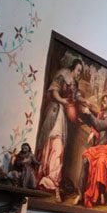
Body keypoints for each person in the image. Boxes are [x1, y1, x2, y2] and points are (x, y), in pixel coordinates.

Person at [35, 58, 84, 201]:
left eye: (80, 72)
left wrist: (81, 104)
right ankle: (44, 180)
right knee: (48, 146)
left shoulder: (74, 83)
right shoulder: (63, 74)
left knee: (58, 149)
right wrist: (62, 101)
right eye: (78, 71)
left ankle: (51, 182)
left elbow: (75, 99)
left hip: (63, 117)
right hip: (54, 112)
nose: (79, 74)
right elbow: (54, 90)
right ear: (73, 68)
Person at [76, 94, 107, 208]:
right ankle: (80, 193)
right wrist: (92, 132)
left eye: (106, 101)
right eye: (103, 101)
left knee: (100, 164)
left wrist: (89, 113)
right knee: (86, 160)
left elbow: (101, 125)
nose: (104, 103)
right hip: (98, 148)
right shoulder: (100, 114)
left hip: (106, 150)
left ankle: (101, 193)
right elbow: (96, 128)